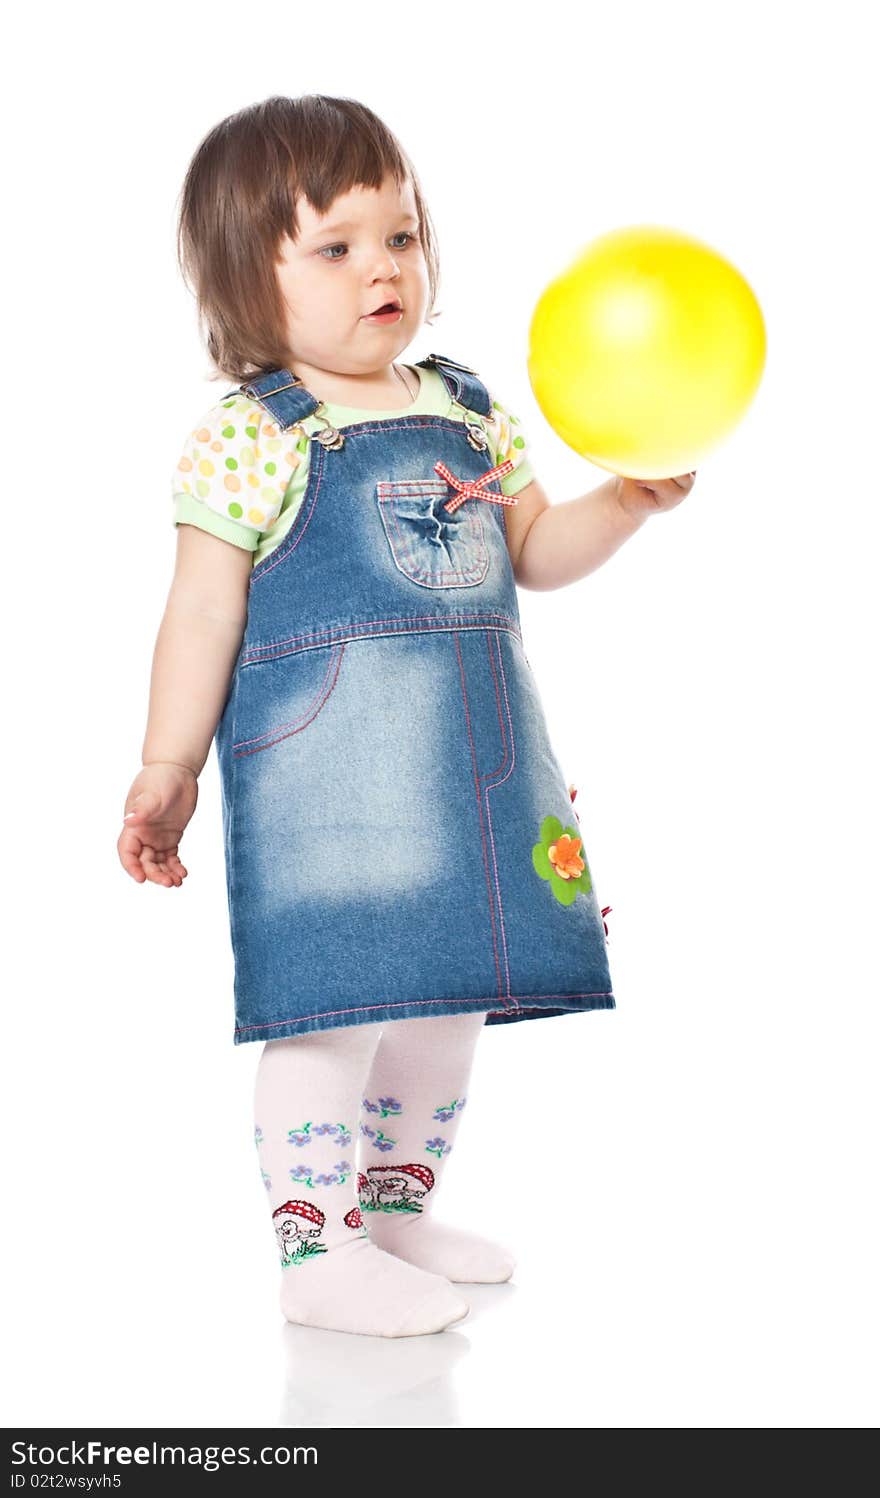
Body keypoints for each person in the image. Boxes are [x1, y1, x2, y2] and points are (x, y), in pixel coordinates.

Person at [117, 94, 697, 1339]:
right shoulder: (248, 440)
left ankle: (392, 1206)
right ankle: (315, 1250)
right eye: (335, 247)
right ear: (240, 284)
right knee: (334, 1004)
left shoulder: (471, 403)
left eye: (402, 234)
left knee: (442, 999)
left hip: (467, 768)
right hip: (330, 784)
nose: (384, 267)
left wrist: (626, 501)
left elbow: (532, 548)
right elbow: (201, 614)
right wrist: (168, 764)